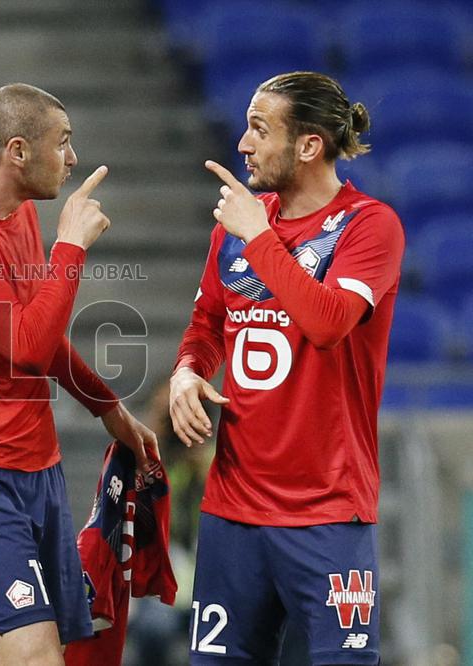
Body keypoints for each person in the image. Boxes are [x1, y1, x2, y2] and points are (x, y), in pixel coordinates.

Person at [0, 83, 159, 665]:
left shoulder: (17, 216)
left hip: (35, 471)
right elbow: (25, 347)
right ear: (17, 151)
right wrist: (70, 247)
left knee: (60, 657)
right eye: (63, 143)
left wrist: (108, 408)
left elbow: (41, 334)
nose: (72, 158)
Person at [170, 71, 404, 664]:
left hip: (326, 511)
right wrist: (188, 372)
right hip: (232, 512)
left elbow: (327, 323)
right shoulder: (240, 226)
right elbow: (205, 325)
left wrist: (257, 235)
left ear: (308, 145)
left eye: (259, 129)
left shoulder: (369, 226)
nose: (243, 145)